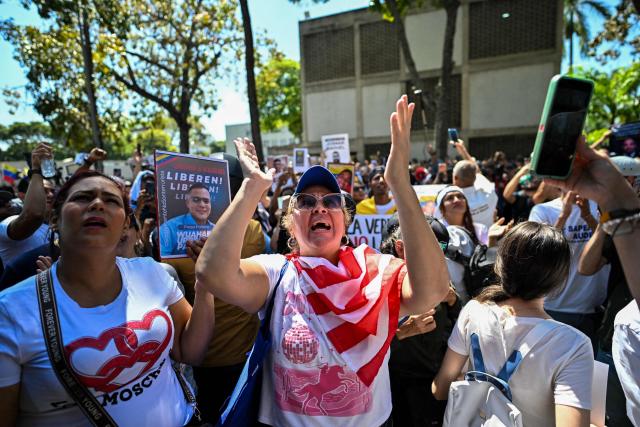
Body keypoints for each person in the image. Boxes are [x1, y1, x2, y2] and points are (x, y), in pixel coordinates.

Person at [195, 96, 450, 426]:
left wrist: (400, 183)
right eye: (305, 201)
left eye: (331, 201)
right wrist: (252, 187)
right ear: (290, 226)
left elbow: (432, 291)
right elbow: (212, 273)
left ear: (343, 224)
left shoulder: (378, 269)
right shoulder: (277, 274)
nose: (319, 207)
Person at [0, 170, 215, 426]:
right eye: (83, 197)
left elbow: (191, 352)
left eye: (111, 201)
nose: (97, 204)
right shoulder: (10, 312)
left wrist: (205, 282)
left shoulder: (152, 272)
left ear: (126, 223)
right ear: (55, 219)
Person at [432, 221, 594, 426]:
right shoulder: (572, 344)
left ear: (499, 265)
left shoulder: (473, 311)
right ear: (560, 277)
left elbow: (440, 389)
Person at [382, 217, 461, 427]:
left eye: (440, 247)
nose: (436, 254)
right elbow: (358, 345)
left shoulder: (439, 276)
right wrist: (400, 332)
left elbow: (460, 321)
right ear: (400, 248)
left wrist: (453, 300)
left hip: (434, 381)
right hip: (395, 384)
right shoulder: (378, 283)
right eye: (428, 246)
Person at [529, 187, 609, 349]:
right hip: (556, 308)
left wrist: (588, 216)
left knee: (592, 371)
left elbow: (609, 247)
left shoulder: (602, 206)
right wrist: (563, 216)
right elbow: (539, 254)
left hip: (595, 310)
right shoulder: (543, 210)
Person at [0, 143, 56, 268]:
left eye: (53, 191)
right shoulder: (7, 224)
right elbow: (33, 215)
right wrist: (36, 171)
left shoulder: (58, 227)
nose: (51, 195)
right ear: (21, 196)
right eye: (44, 191)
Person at [450, 139, 498, 230]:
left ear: (456, 178)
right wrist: (463, 150)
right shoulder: (489, 192)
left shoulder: (453, 203)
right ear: (475, 178)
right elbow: (476, 171)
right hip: (489, 240)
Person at [160, 183, 214, 256]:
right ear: (187, 203)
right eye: (196, 200)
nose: (202, 205)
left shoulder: (218, 230)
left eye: (206, 201)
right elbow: (163, 262)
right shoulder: (168, 229)